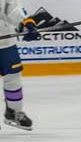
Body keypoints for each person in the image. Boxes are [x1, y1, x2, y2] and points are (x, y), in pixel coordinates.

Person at [0, 0, 39, 131]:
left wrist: (25, 23)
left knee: (13, 76)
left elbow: (12, 8)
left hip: (5, 42)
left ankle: (13, 112)